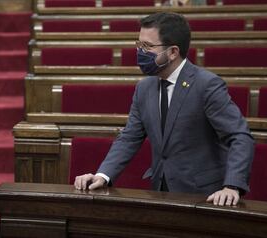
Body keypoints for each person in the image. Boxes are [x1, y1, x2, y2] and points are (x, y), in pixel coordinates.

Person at [74, 12, 254, 206]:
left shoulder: (206, 85)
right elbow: (130, 137)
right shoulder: (144, 88)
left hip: (204, 197)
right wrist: (103, 174)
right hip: (160, 193)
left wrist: (232, 186)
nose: (140, 52)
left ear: (173, 52)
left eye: (148, 46)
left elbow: (240, 136)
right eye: (139, 45)